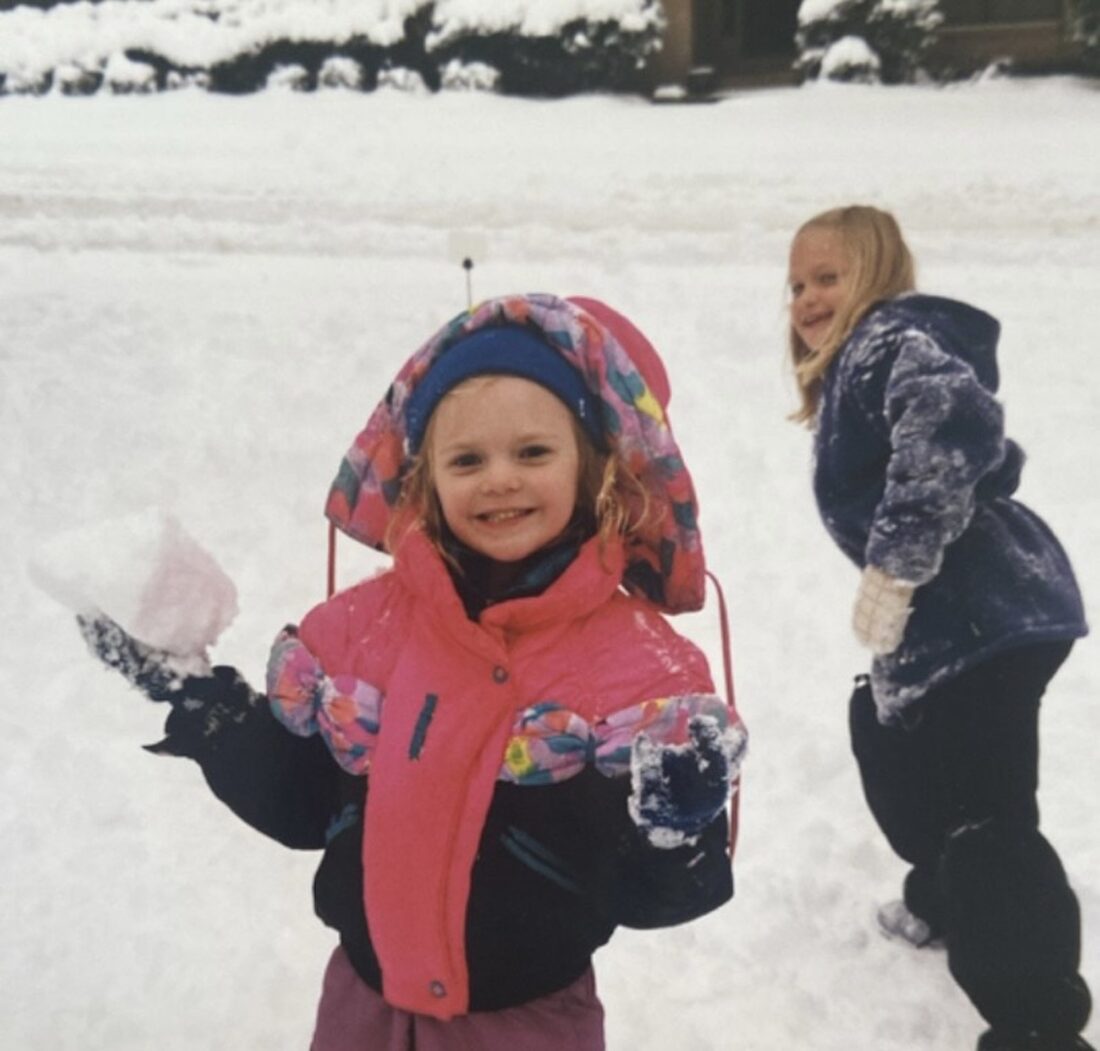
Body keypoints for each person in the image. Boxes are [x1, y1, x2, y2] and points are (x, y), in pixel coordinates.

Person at [79, 292, 746, 1050]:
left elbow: (654, 897)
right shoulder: (363, 635)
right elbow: (303, 805)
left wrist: (677, 829)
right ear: (425, 476)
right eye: (466, 459)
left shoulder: (638, 675)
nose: (499, 478)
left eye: (532, 452)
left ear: (595, 469)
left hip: (527, 1027)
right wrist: (201, 700)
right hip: (361, 1013)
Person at [786, 203, 1092, 1051]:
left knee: (986, 812)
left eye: (828, 277)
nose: (807, 298)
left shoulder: (890, 340)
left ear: (877, 275)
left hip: (981, 612)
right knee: (901, 745)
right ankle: (946, 894)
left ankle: (1038, 1022)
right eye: (798, 283)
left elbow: (950, 424)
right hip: (976, 616)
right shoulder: (865, 357)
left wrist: (896, 563)